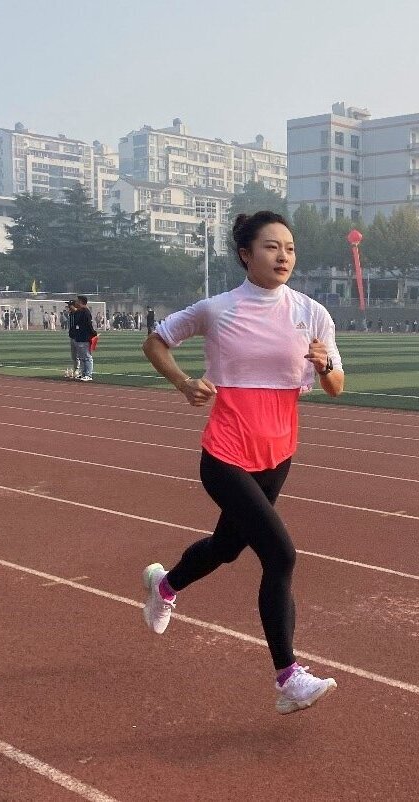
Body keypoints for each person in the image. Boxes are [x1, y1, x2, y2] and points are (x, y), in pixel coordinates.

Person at [140, 210, 344, 715]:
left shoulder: (312, 313)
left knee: (227, 547)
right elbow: (155, 341)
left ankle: (165, 585)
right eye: (272, 247)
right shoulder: (217, 309)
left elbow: (337, 386)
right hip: (225, 453)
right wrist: (184, 383)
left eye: (290, 248)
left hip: (277, 454)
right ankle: (289, 677)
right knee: (281, 555)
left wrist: (325, 365)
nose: (283, 256)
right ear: (245, 255)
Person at [68, 297, 96, 381]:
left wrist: (93, 333)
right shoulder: (79, 312)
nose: (76, 303)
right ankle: (83, 373)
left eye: (77, 301)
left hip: (84, 337)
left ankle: (88, 374)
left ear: (81, 302)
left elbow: (89, 325)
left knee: (87, 357)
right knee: (82, 357)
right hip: (79, 337)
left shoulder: (86, 312)